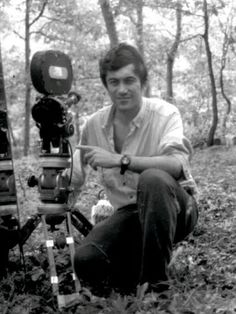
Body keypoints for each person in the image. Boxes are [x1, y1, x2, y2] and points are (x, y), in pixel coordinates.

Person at [71, 43, 198, 294]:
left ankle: (156, 286)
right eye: (114, 82)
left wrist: (121, 159)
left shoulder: (165, 113)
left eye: (129, 80)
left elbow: (176, 165)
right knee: (86, 260)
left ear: (143, 82)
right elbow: (74, 178)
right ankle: (143, 262)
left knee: (153, 179)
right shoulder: (94, 125)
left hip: (176, 208)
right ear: (106, 85)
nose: (122, 89)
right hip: (130, 215)